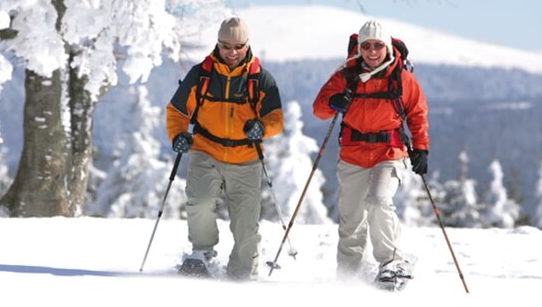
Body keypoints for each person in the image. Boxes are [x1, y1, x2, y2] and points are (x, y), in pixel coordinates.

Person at [166, 17, 284, 280]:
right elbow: (176, 111)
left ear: (247, 45)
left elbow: (275, 118)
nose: (232, 52)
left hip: (246, 158)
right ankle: (202, 253)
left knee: (245, 225)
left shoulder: (260, 78)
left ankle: (242, 276)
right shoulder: (201, 75)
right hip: (206, 150)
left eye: (238, 46)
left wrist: (262, 128)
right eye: (226, 46)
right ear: (217, 44)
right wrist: (178, 135)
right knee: (200, 200)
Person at [312, 20, 429, 284]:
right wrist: (334, 101)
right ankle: (348, 276)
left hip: (389, 153)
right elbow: (319, 110)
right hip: (353, 155)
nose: (372, 51)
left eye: (378, 45)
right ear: (359, 48)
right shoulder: (346, 76)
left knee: (378, 201)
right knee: (351, 219)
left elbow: (418, 114)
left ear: (387, 47)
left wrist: (421, 148)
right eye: (367, 46)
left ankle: (392, 261)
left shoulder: (402, 79)